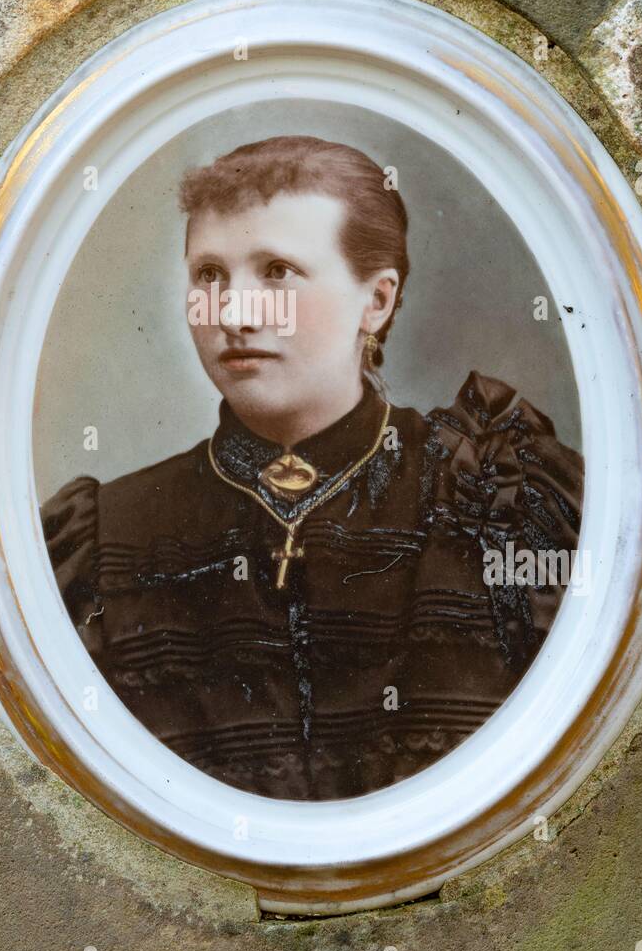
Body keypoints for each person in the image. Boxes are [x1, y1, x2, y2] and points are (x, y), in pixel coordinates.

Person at [41, 135, 583, 802]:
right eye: (209, 275)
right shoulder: (101, 541)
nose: (234, 312)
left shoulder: (502, 500)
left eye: (276, 272)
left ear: (376, 301)